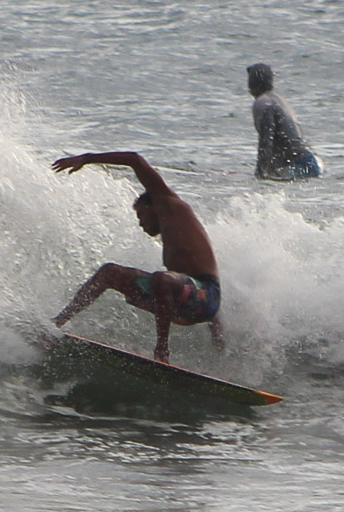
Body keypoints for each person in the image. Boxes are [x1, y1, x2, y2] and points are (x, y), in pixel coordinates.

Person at [50, 150, 224, 363]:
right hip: (187, 303)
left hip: (206, 296)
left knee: (163, 278)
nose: (141, 223)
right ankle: (55, 324)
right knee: (109, 273)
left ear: (155, 207)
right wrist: (220, 342)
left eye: (141, 215)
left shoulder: (171, 206)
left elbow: (135, 159)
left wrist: (86, 159)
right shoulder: (175, 240)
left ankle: (161, 352)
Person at [247, 63, 321, 181]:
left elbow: (266, 141)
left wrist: (260, 173)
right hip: (311, 163)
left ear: (252, 83)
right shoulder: (279, 100)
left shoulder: (262, 103)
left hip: (299, 167)